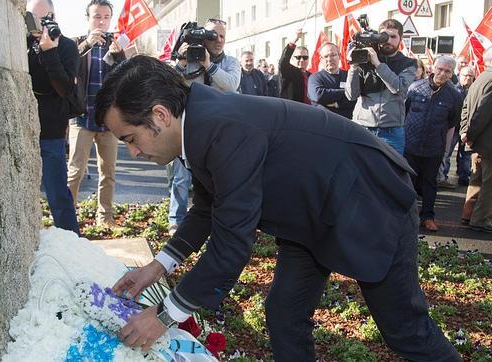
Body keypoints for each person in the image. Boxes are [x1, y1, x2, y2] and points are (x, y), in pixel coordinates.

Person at [95, 55, 460, 362]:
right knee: (284, 314)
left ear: (160, 115)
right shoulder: (197, 122)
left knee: (405, 331)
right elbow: (209, 205)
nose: (134, 153)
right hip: (311, 214)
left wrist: (165, 315)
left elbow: (231, 243)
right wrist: (159, 267)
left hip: (368, 200)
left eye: (130, 139)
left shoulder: (221, 128)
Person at [169, 19, 240, 234]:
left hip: (220, 129)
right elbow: (171, 85)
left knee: (219, 177)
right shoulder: (188, 60)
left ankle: (219, 223)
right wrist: (181, 63)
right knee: (181, 176)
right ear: (201, 36)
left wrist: (208, 65)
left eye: (222, 36)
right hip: (190, 126)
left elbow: (231, 85)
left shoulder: (231, 62)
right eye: (213, 35)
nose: (218, 40)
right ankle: (176, 220)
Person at [67, 0, 125, 226]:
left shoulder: (115, 44)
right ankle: (68, 218)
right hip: (81, 117)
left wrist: (119, 56)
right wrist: (85, 46)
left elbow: (126, 76)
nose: (101, 21)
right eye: (96, 16)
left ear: (110, 19)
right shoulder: (76, 44)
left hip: (108, 121)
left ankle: (105, 218)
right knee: (75, 172)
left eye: (105, 17)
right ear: (88, 19)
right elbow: (67, 67)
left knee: (108, 173)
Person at [27, 0, 79, 234]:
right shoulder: (22, 44)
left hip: (50, 132)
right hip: (22, 130)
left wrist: (49, 52)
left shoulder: (66, 46)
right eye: (33, 19)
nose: (40, 25)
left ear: (54, 16)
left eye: (46, 18)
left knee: (57, 195)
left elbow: (65, 89)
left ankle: (72, 243)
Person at [404, 56, 462, 232]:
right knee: (408, 182)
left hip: (434, 147)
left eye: (447, 71)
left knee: (430, 183)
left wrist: (446, 150)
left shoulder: (454, 96)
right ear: (432, 68)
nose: (442, 74)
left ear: (452, 74)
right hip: (410, 144)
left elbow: (453, 123)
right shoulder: (415, 88)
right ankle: (407, 215)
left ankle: (427, 216)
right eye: (440, 69)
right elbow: (404, 112)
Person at [345, 19, 417, 155]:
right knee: (360, 172)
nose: (388, 40)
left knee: (392, 173)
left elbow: (399, 88)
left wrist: (377, 64)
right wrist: (354, 67)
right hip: (362, 127)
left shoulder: (408, 64)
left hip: (391, 131)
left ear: (401, 39)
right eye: (384, 36)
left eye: (393, 37)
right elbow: (351, 95)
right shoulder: (364, 59)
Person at [459, 45, 492, 233]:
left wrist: (466, 132)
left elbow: (466, 107)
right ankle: (480, 220)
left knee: (477, 179)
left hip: (478, 139)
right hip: (489, 141)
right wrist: (469, 134)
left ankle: (468, 214)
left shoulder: (481, 77)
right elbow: (484, 112)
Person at [438, 66, 476, 189]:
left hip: (467, 127)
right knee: (447, 152)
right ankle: (443, 177)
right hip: (454, 126)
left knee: (465, 154)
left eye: (470, 75)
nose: (468, 78)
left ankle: (464, 177)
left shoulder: (475, 90)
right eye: (465, 75)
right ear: (460, 76)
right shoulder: (453, 90)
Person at [307, 43, 356, 119]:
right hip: (324, 123)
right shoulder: (315, 78)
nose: (329, 59)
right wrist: (346, 92)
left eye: (333, 55)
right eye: (326, 56)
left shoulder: (349, 76)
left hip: (347, 123)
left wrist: (338, 104)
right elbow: (318, 96)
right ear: (321, 59)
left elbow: (356, 97)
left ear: (339, 56)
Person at [279, 29, 312, 104]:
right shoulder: (288, 72)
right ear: (292, 58)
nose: (302, 60)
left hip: (310, 111)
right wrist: (293, 41)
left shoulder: (311, 76)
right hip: (294, 110)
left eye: (305, 57)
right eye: (298, 57)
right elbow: (282, 63)